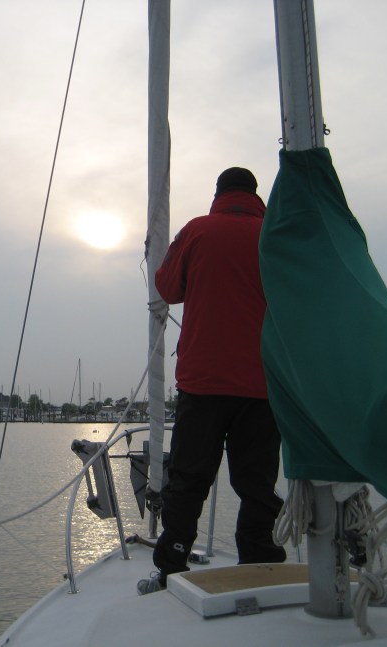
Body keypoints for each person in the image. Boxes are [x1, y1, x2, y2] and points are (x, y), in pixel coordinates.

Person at [138, 167, 286, 595]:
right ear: (254, 196)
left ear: (218, 194)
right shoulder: (274, 236)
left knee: (188, 479)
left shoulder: (198, 232)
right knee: (256, 483)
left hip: (203, 383)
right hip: (262, 384)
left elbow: (166, 286)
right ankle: (260, 563)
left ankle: (174, 562)